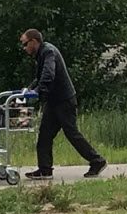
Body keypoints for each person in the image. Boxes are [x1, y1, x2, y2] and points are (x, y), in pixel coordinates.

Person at [20, 28, 107, 180]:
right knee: (45, 134)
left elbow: (48, 75)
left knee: (71, 133)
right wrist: (29, 89)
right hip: (54, 101)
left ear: (33, 41)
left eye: (25, 44)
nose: (24, 48)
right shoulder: (41, 54)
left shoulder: (48, 52)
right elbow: (40, 77)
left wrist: (38, 91)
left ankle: (97, 161)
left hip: (64, 100)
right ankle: (45, 169)